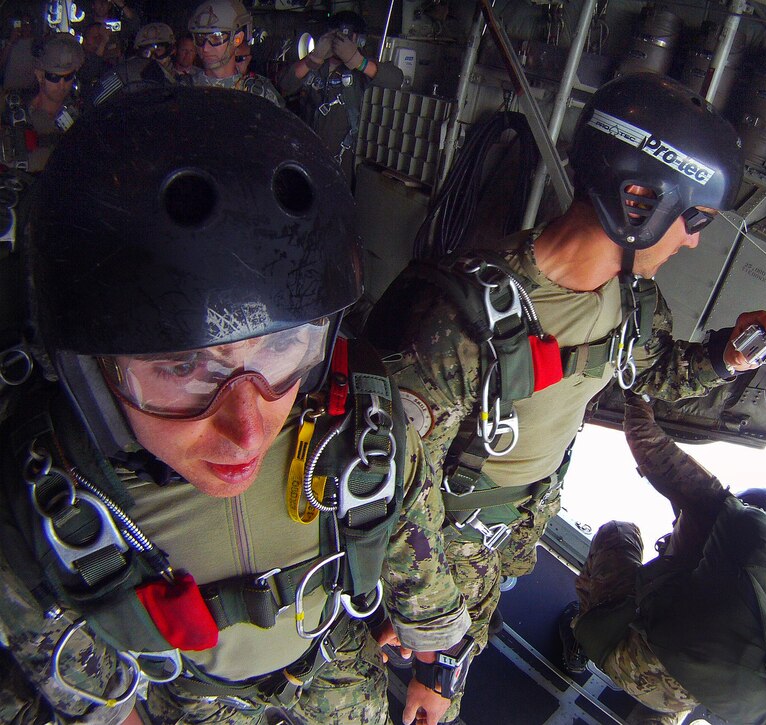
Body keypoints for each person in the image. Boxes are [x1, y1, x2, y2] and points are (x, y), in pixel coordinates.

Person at [0, 87, 467, 725]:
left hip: (335, 663)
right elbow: (94, 695)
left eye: (280, 347)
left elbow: (414, 545)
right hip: (194, 701)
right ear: (90, 374)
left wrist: (437, 664)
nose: (247, 430)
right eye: (181, 367)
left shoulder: (361, 434)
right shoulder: (42, 509)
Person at [366, 72, 766, 720]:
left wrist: (726, 356)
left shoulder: (631, 301)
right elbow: (392, 488)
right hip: (435, 545)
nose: (693, 239)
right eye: (694, 218)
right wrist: (439, 648)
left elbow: (655, 373)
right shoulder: (457, 317)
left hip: (502, 533)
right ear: (642, 198)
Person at [562, 395, 766, 725]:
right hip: (699, 689)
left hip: (630, 659)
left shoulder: (718, 507)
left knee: (619, 533)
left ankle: (579, 641)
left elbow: (647, 441)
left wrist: (637, 396)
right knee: (691, 662)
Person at [278, 10, 403, 184]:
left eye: (346, 37)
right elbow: (285, 84)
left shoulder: (363, 71)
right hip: (306, 157)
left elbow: (396, 79)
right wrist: (314, 57)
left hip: (342, 162)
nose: (339, 42)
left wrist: (358, 61)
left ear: (358, 40)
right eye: (335, 36)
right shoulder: (314, 66)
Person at [0, 32, 83, 173]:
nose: (62, 84)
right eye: (54, 77)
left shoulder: (79, 114)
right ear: (40, 75)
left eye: (68, 77)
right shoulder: (11, 105)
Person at [186, 0, 283, 107]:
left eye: (216, 37)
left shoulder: (259, 94)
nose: (205, 48)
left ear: (237, 39)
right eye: (200, 38)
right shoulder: (183, 90)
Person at [90, 22, 178, 106]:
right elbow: (96, 101)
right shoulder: (124, 73)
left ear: (171, 51)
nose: (152, 57)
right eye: (147, 51)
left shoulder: (182, 80)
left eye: (158, 50)